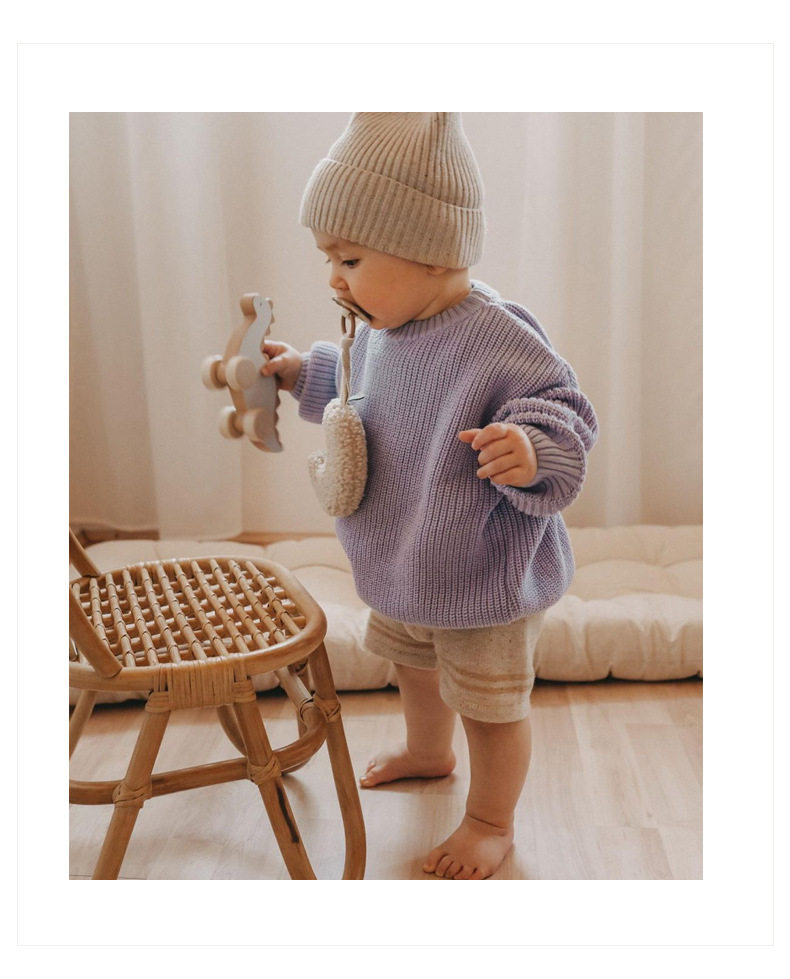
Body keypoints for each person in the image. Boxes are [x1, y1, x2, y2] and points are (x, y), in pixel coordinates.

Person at [262, 112, 598, 880]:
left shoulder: (499, 338)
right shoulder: (382, 325)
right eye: (329, 258)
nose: (334, 278)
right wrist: (300, 373)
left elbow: (565, 414)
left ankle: (490, 820)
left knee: (488, 703)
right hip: (407, 559)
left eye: (350, 258)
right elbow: (359, 391)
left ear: (432, 251)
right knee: (413, 666)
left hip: (481, 575)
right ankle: (426, 749)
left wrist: (528, 451)